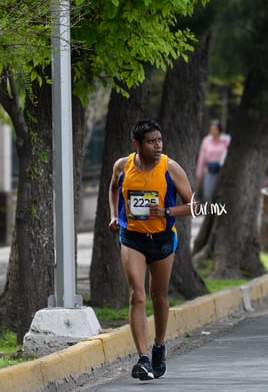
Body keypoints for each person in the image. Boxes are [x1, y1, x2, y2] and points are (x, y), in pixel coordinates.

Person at [108, 120, 194, 381]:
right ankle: (143, 358)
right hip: (132, 237)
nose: (158, 146)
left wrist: (166, 211)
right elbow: (113, 187)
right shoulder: (123, 166)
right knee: (137, 294)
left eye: (160, 140)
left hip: (163, 239)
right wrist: (114, 215)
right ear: (137, 145)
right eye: (151, 141)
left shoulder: (170, 167)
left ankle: (159, 346)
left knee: (159, 296)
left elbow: (193, 205)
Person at [196, 120, 231, 202]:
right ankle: (209, 212)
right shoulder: (206, 141)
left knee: (221, 193)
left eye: (215, 129)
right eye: (211, 129)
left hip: (222, 170)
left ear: (219, 130)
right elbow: (202, 158)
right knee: (208, 193)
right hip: (209, 170)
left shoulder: (226, 140)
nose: (213, 131)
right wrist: (199, 174)